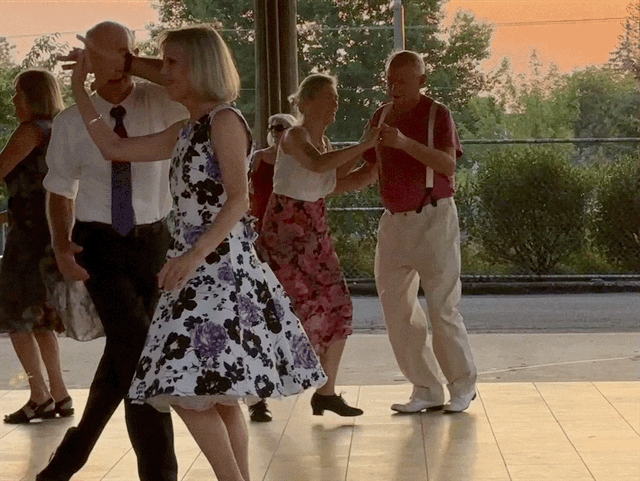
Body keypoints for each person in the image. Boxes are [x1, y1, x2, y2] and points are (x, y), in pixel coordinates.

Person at [68, 25, 326, 481]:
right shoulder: (186, 129)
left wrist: (192, 256)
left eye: (172, 63)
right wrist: (78, 89)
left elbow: (239, 200)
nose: (162, 71)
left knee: (184, 388)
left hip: (219, 269)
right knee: (217, 394)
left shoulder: (224, 121)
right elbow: (113, 147)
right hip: (194, 270)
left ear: (201, 68)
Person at [37, 21, 188, 481]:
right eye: (100, 56)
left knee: (124, 358)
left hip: (154, 243)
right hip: (99, 245)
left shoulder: (163, 100)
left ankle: (70, 456)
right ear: (86, 61)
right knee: (142, 355)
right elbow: (59, 189)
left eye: (122, 52)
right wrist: (62, 247)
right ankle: (160, 474)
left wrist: (127, 61)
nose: (114, 65)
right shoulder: (71, 121)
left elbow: (203, 85)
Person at [337, 50, 477, 414]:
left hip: (434, 217)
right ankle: (426, 388)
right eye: (389, 80)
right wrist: (322, 189)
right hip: (394, 222)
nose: (393, 87)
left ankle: (462, 386)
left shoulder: (437, 114)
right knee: (396, 308)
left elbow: (447, 165)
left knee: (442, 307)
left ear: (421, 81)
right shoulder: (381, 116)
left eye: (402, 80)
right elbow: (369, 171)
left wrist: (404, 143)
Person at [257, 74, 380, 417]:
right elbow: (317, 164)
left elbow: (334, 180)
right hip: (287, 230)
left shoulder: (325, 143)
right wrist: (364, 145)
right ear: (306, 102)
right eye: (329, 97)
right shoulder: (295, 136)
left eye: (336, 97)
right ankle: (258, 391)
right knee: (287, 309)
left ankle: (326, 392)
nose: (335, 103)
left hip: (314, 226)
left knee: (338, 305)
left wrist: (373, 164)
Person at [0, 69, 73, 424]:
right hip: (48, 234)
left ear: (33, 96)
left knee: (16, 319)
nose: (14, 99)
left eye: (19, 93)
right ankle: (59, 394)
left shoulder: (30, 131)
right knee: (41, 321)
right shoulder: (56, 131)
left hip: (28, 242)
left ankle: (39, 395)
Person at [246, 112, 295, 423]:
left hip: (289, 239)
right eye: (273, 127)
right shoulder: (257, 160)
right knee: (258, 316)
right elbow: (247, 195)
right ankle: (257, 398)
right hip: (259, 238)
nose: (277, 132)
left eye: (283, 127)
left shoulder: (298, 160)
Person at [249, 113, 296, 233]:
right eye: (271, 128)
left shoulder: (296, 159)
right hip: (260, 212)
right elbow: (249, 185)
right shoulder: (259, 156)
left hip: (287, 213)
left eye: (279, 128)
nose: (274, 132)